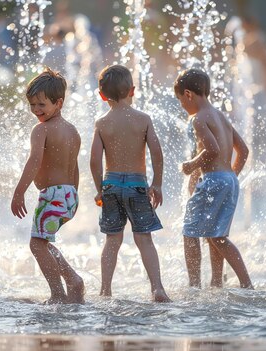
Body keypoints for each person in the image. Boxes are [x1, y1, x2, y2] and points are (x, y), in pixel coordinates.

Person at [90, 64, 171, 302]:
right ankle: (157, 288)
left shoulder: (102, 123)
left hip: (111, 185)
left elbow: (94, 160)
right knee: (144, 237)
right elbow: (157, 153)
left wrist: (99, 188)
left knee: (112, 239)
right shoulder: (143, 119)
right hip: (137, 185)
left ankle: (105, 290)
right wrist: (157, 183)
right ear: (132, 90)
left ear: (102, 95)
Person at [11, 68, 85, 304]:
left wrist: (19, 191)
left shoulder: (41, 130)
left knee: (36, 244)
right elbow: (74, 167)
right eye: (32, 105)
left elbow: (34, 160)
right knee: (43, 242)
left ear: (58, 103)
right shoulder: (72, 130)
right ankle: (72, 280)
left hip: (53, 196)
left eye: (41, 104)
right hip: (69, 195)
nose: (36, 110)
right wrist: (73, 195)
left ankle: (58, 293)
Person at [173, 68, 253, 289]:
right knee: (216, 235)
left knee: (190, 232)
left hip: (215, 180)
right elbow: (244, 150)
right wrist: (229, 177)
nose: (183, 107)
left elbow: (212, 150)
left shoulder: (198, 119)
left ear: (188, 94)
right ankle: (218, 282)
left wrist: (191, 166)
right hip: (228, 180)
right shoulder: (221, 116)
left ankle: (194, 285)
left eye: (181, 102)